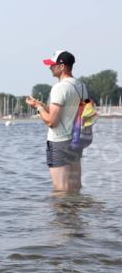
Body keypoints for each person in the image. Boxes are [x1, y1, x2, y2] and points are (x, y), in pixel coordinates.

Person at [27, 50, 91, 193]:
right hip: (76, 141)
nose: (50, 67)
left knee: (61, 190)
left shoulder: (60, 87)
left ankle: (61, 209)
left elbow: (52, 122)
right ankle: (77, 209)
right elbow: (71, 111)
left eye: (52, 65)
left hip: (59, 142)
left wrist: (38, 108)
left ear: (62, 66)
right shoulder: (81, 86)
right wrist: (41, 104)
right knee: (75, 188)